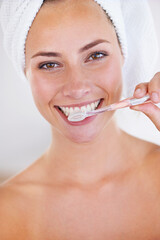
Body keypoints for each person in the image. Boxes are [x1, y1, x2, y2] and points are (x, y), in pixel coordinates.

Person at [0, 0, 160, 239]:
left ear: (123, 55)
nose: (76, 88)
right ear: (26, 74)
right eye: (49, 64)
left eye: (95, 55)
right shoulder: (6, 213)